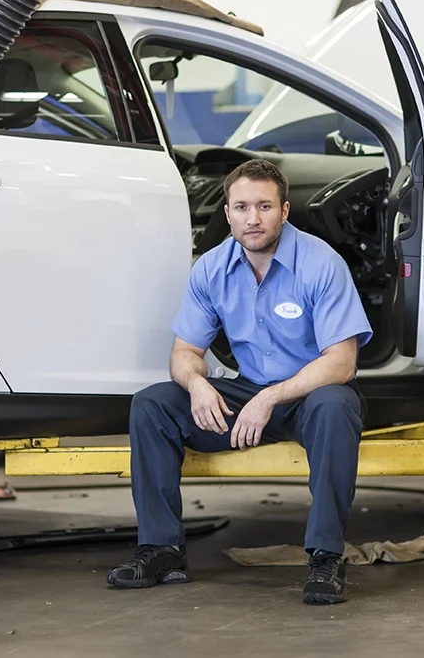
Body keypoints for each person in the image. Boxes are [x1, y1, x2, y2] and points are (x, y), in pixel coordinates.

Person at [107, 158, 372, 605]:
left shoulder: (321, 264)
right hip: (249, 396)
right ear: (227, 213)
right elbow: (184, 354)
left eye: (265, 206)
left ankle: (326, 557)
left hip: (309, 395)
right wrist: (197, 384)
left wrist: (272, 396)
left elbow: (341, 363)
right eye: (242, 207)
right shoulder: (211, 269)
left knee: (335, 405)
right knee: (151, 404)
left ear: (285, 211)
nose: (253, 218)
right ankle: (161, 549)